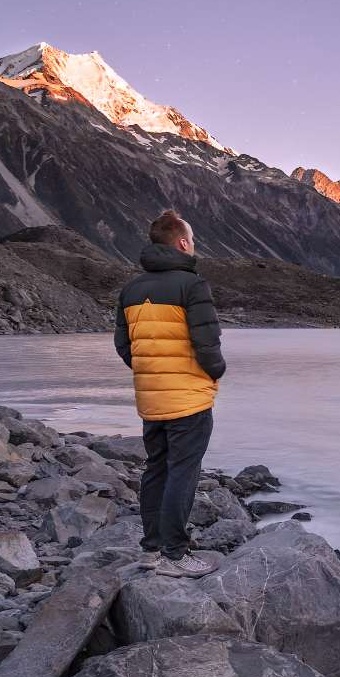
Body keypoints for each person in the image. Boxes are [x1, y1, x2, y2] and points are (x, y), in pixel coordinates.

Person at [114, 209, 225, 574]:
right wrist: (216, 372)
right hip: (188, 398)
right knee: (183, 472)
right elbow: (206, 343)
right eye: (192, 240)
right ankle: (176, 555)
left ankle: (151, 550)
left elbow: (124, 346)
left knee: (156, 470)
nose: (194, 246)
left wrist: (152, 372)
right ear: (181, 243)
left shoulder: (130, 289)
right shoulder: (192, 285)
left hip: (151, 397)